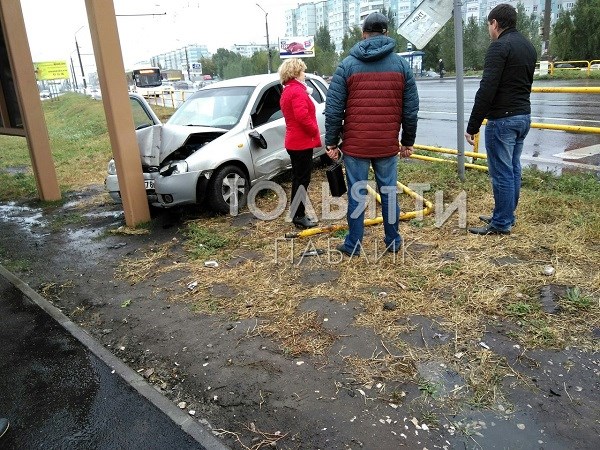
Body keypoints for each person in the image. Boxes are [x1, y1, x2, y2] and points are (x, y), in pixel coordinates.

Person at [324, 12, 419, 256]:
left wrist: (332, 142)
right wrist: (407, 141)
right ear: (386, 33)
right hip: (387, 145)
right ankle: (393, 241)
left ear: (363, 34)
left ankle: (353, 244)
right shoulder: (401, 65)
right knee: (388, 192)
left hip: (356, 146)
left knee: (357, 195)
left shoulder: (347, 65)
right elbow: (410, 110)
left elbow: (334, 110)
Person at [465, 3, 536, 235]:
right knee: (513, 168)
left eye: (489, 25)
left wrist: (473, 125)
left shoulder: (499, 47)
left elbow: (487, 89)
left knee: (502, 173)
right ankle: (506, 214)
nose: (489, 29)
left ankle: (501, 223)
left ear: (495, 23)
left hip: (503, 120)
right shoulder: (528, 46)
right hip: (522, 116)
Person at [278, 58, 322, 229]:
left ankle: (297, 213)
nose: (305, 74)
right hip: (301, 142)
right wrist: (313, 131)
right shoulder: (296, 91)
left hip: (294, 141)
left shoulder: (289, 90)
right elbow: (302, 116)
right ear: (295, 73)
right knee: (302, 180)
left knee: (299, 178)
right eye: (303, 71)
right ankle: (298, 215)